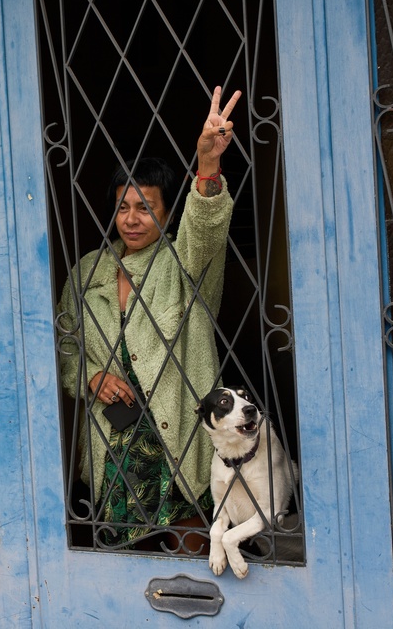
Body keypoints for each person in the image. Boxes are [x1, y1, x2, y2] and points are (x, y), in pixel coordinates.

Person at [57, 86, 241, 549]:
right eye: (123, 207)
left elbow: (203, 233)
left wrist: (207, 167)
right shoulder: (87, 272)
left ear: (166, 211)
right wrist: (90, 377)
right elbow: (64, 347)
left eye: (145, 207)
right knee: (120, 555)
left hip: (175, 439)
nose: (132, 219)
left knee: (195, 548)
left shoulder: (182, 262)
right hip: (112, 448)